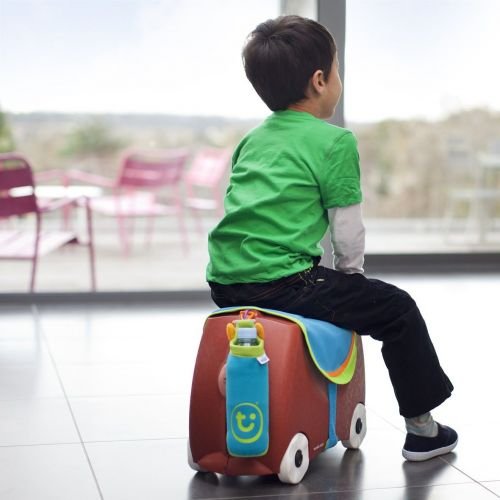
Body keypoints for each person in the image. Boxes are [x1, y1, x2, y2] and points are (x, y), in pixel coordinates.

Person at [206, 15, 457, 462]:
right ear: (320, 80)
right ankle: (423, 431)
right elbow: (347, 227)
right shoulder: (334, 142)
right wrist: (351, 277)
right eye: (337, 70)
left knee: (329, 294)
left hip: (225, 281)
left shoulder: (251, 141)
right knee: (398, 310)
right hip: (283, 283)